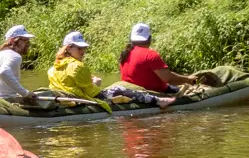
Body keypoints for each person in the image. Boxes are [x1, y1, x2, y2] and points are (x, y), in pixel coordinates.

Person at [48, 31, 176, 110]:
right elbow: (92, 92)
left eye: (84, 48)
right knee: (119, 89)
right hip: (84, 98)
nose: (83, 52)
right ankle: (158, 101)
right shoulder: (78, 66)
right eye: (80, 48)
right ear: (69, 48)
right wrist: (96, 83)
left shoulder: (53, 68)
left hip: (69, 98)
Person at [118, 23, 197, 94]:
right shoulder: (150, 55)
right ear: (149, 38)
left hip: (130, 92)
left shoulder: (125, 53)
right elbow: (168, 79)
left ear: (131, 38)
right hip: (153, 93)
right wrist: (187, 79)